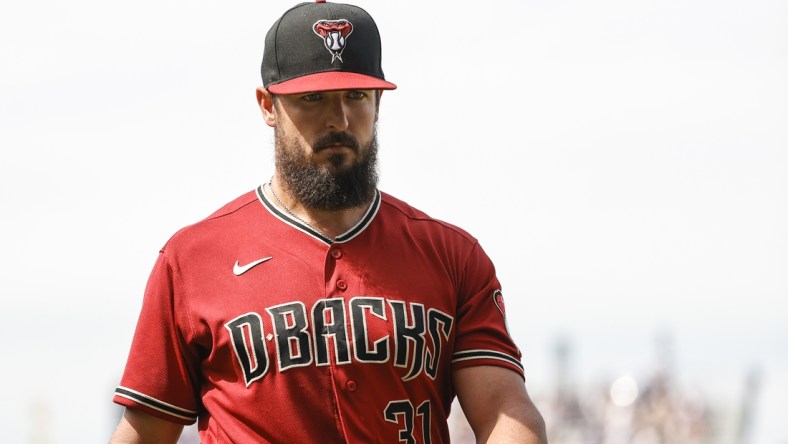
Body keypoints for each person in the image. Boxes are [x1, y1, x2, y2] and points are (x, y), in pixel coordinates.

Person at [110, 1, 547, 442]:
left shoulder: (452, 256)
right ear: (267, 106)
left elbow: (503, 411)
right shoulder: (193, 259)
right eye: (312, 99)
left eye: (355, 96)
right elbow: (145, 431)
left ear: (378, 103)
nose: (338, 120)